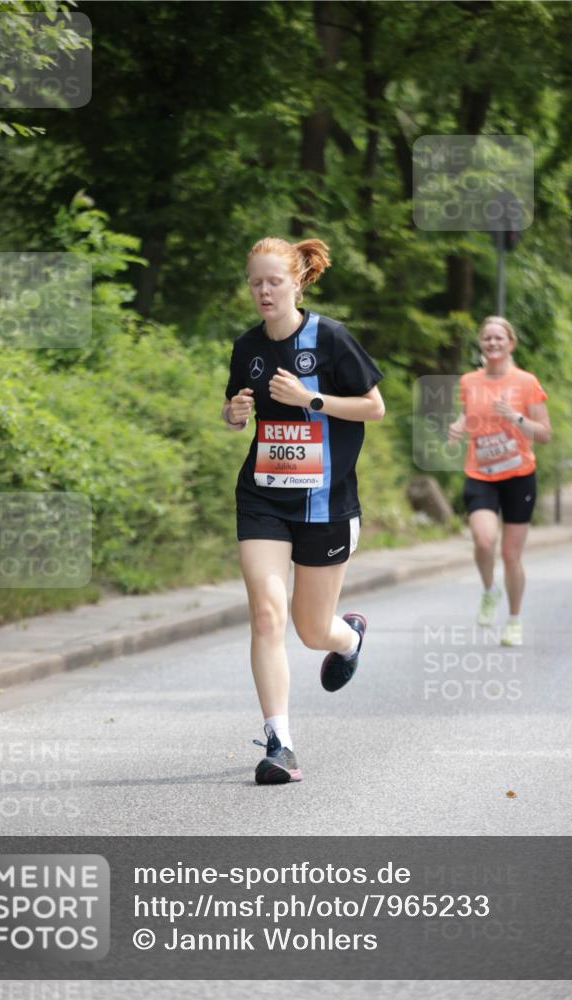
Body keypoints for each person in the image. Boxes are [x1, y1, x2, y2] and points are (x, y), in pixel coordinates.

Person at [222, 236, 385, 785]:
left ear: (297, 282)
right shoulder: (247, 347)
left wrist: (311, 400)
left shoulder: (331, 338)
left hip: (326, 500)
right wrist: (235, 411)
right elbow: (235, 409)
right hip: (264, 496)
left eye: (274, 281)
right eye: (256, 283)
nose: (264, 291)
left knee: (313, 630)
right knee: (267, 612)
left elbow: (374, 407)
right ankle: (280, 743)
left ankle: (350, 638)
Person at [448, 316, 552, 646]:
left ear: (511, 343)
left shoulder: (526, 382)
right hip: (480, 473)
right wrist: (459, 425)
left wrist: (516, 417)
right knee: (483, 540)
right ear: (481, 344)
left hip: (519, 476)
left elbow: (545, 434)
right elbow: (471, 412)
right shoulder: (469, 381)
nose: (493, 343)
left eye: (499, 338)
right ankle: (490, 590)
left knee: (511, 555)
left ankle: (514, 619)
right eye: (487, 338)